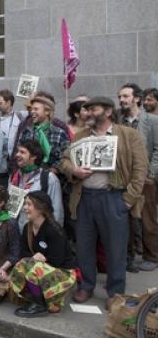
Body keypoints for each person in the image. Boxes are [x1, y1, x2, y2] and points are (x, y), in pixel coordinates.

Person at [61, 96, 148, 310]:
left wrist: (128, 200)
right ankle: (86, 285)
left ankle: (115, 291)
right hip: (85, 197)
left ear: (108, 112)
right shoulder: (80, 136)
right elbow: (64, 160)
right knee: (84, 246)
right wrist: (74, 170)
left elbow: (140, 168)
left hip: (114, 197)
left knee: (116, 248)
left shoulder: (128, 135)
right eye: (86, 109)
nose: (88, 113)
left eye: (93, 109)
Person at [9, 191, 76, 317]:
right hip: (42, 268)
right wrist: (32, 257)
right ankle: (39, 299)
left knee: (35, 269)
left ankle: (40, 304)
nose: (25, 208)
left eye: (29, 204)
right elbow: (22, 252)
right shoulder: (27, 228)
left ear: (41, 208)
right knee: (22, 265)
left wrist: (41, 260)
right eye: (25, 204)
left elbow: (58, 260)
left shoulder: (54, 230)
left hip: (63, 273)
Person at [117, 83, 158, 272]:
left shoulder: (151, 120)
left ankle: (152, 255)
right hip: (124, 177)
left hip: (146, 178)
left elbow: (157, 149)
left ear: (137, 99)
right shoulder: (117, 120)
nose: (122, 100)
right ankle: (129, 256)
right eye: (120, 97)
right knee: (127, 219)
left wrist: (150, 173)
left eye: (125, 96)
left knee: (148, 218)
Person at [9, 140, 64, 231]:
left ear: (33, 157)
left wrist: (54, 237)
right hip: (16, 233)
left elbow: (57, 212)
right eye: (17, 151)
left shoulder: (49, 179)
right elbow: (10, 209)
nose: (17, 155)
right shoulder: (14, 176)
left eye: (22, 152)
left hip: (38, 234)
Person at [11, 92, 70, 172]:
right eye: (31, 109)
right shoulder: (26, 132)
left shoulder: (59, 133)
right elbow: (18, 153)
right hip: (28, 177)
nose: (32, 111)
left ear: (47, 112)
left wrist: (54, 169)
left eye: (36, 109)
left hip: (53, 179)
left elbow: (66, 157)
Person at [0, 89, 22, 159]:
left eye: (0, 103)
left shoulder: (19, 117)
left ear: (8, 103)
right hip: (0, 158)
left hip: (15, 158)